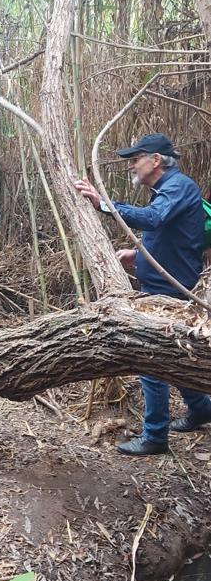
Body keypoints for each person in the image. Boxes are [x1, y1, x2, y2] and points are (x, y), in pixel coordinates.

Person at [75, 132, 211, 456]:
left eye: (136, 159)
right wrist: (137, 256)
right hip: (162, 284)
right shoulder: (166, 189)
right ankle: (201, 408)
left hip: (170, 289)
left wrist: (102, 203)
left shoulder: (177, 187)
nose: (131, 165)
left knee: (150, 358)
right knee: (172, 356)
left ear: (156, 160)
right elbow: (169, 235)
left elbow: (153, 219)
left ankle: (155, 436)